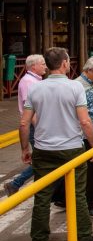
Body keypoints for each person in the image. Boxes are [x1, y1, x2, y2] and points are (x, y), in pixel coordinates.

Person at [20, 47, 93, 241]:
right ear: (65, 63)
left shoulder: (35, 89)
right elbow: (85, 122)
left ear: (47, 65)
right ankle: (84, 239)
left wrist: (24, 149)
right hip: (72, 149)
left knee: (42, 197)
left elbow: (23, 123)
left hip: (43, 149)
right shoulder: (75, 87)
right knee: (77, 195)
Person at [53, 56, 93, 218]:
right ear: (89, 70)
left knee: (75, 169)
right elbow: (86, 119)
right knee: (89, 172)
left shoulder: (84, 84)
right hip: (83, 136)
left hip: (78, 135)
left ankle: (63, 198)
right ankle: (90, 203)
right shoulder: (81, 87)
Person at [4, 54, 46, 197]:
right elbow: (31, 110)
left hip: (37, 126)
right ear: (33, 66)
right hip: (35, 126)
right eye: (42, 64)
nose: (45, 66)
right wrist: (41, 128)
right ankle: (16, 183)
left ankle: (18, 184)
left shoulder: (34, 80)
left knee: (42, 159)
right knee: (43, 159)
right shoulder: (29, 82)